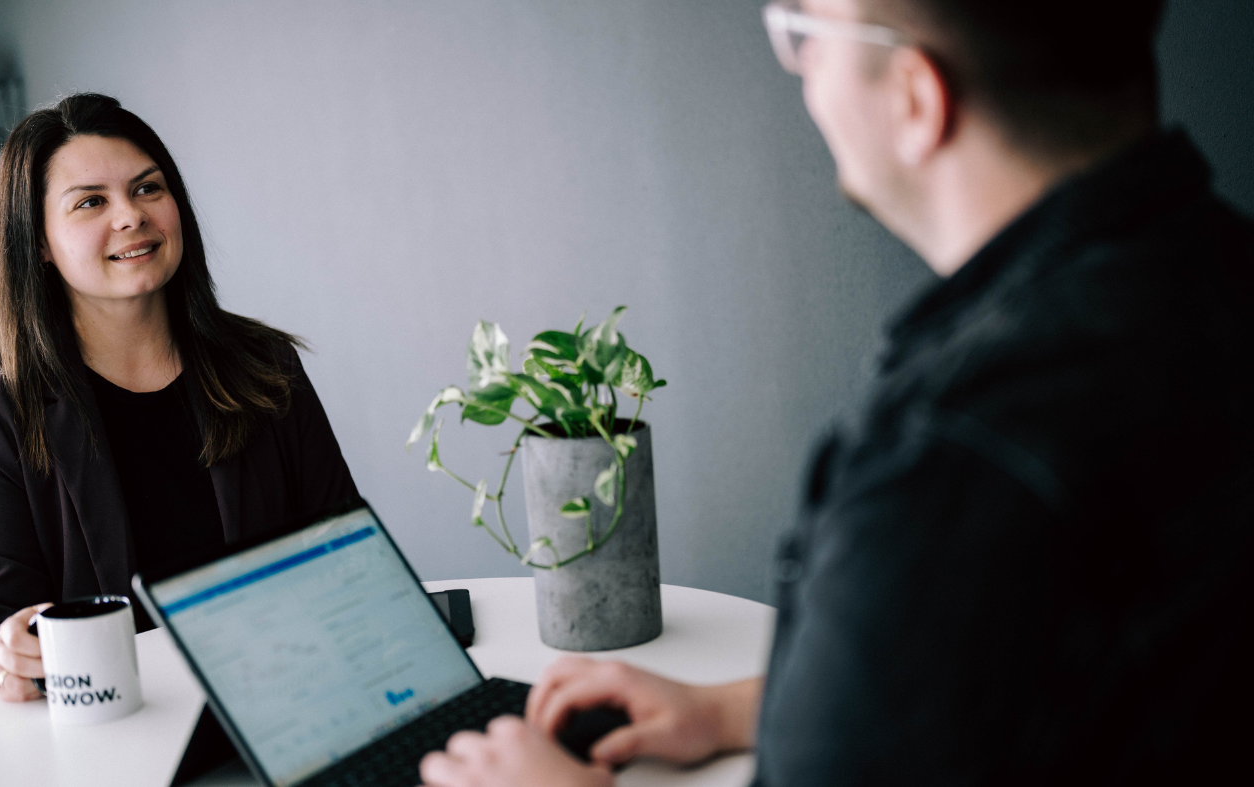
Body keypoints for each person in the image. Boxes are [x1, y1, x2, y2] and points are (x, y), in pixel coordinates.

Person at [419, 0, 1254, 784]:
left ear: (915, 98)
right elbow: (1073, 678)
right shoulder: (1214, 277)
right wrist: (742, 706)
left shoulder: (949, 459)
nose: (798, 68)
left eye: (806, 31)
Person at [0, 94, 360, 713]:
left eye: (147, 188)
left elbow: (347, 554)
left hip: (291, 712)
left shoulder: (265, 367)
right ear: (41, 243)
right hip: (121, 746)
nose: (131, 216)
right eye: (90, 202)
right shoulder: (2, 417)